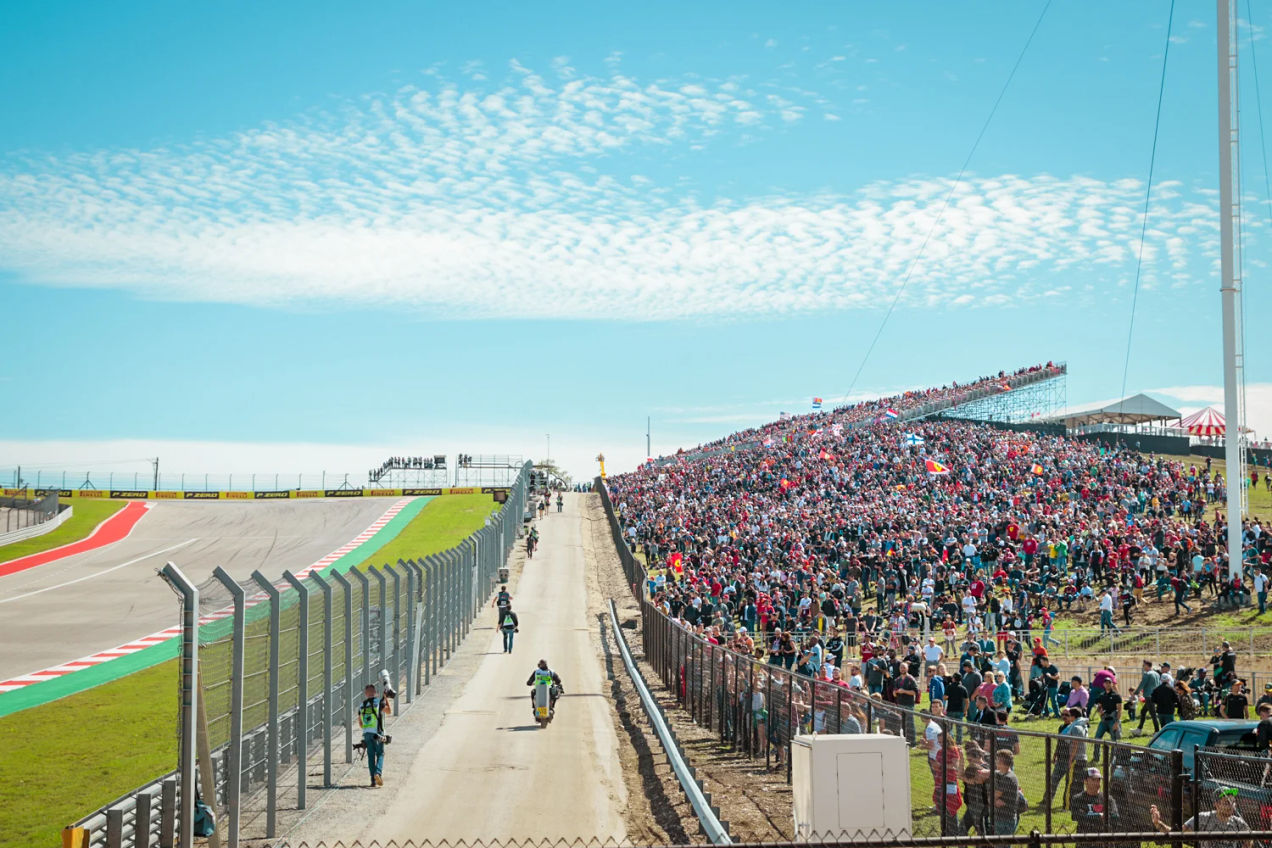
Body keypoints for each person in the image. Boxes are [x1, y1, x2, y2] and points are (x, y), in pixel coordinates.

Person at [1151, 788, 1252, 848]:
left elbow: (1250, 839)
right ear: (1216, 804)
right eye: (1227, 803)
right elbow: (1178, 833)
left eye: (1233, 802)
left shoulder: (1238, 822)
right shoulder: (1204, 818)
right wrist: (1158, 823)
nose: (1231, 806)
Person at [357, 682, 391, 787]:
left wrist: (367, 727)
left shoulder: (362, 705)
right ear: (375, 692)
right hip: (377, 733)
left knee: (371, 756)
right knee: (380, 753)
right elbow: (389, 711)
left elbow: (360, 723)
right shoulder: (379, 702)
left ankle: (373, 780)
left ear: (365, 694)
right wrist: (386, 698)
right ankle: (378, 773)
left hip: (367, 734)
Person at [1070, 767, 1119, 834]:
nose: (1097, 783)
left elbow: (1115, 816)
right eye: (1093, 780)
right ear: (1085, 781)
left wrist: (1088, 816)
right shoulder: (1078, 799)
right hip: (1084, 837)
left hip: (1104, 836)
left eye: (1098, 780)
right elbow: (1076, 816)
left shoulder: (1108, 799)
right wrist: (1099, 817)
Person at [991, 749, 1021, 835]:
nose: (995, 762)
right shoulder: (1003, 774)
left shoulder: (1007, 778)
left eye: (997, 760)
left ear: (1001, 762)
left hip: (1005, 820)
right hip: (1002, 818)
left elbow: (992, 797)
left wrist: (992, 800)